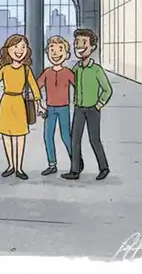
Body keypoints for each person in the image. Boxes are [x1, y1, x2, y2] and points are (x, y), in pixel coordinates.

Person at [0, 34, 43, 180]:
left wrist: (40, 105)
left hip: (19, 103)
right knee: (6, 136)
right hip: (6, 102)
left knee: (19, 137)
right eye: (16, 47)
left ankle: (19, 167)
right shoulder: (5, 69)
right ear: (8, 50)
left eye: (23, 47)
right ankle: (11, 166)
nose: (20, 50)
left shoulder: (26, 69)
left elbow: (35, 88)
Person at [62, 28, 112, 181]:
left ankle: (104, 167)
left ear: (92, 47)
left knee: (94, 139)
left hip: (92, 109)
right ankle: (75, 170)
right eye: (77, 42)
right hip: (78, 108)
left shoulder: (96, 69)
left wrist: (98, 104)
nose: (79, 46)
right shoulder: (76, 68)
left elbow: (107, 90)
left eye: (84, 42)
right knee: (75, 139)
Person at [36, 36, 76, 176]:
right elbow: (37, 87)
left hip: (64, 107)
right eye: (52, 50)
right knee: (48, 136)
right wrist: (38, 103)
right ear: (47, 53)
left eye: (60, 50)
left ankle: (75, 161)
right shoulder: (47, 72)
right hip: (50, 108)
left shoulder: (68, 73)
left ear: (66, 54)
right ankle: (52, 164)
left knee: (66, 136)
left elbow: (78, 86)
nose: (55, 53)